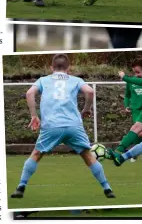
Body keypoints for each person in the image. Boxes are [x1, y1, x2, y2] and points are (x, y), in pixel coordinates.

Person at [10, 54, 115, 199]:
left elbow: (29, 93)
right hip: (73, 125)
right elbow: (90, 91)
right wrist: (86, 109)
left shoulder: (43, 80)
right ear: (68, 68)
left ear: (51, 68)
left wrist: (34, 115)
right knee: (88, 156)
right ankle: (107, 188)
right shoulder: (76, 80)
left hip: (51, 125)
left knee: (36, 154)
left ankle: (21, 187)